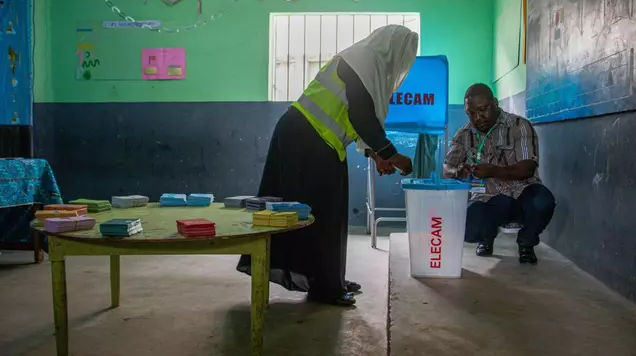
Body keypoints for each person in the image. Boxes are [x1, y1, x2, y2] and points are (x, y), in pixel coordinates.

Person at [237, 25, 418, 306]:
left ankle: (327, 280)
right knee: (317, 214)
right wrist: (391, 154)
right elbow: (360, 115)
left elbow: (355, 117)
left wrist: (377, 154)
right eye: (405, 54)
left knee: (324, 215)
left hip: (317, 140)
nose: (403, 62)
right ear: (391, 47)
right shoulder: (362, 59)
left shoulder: (366, 65)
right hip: (306, 137)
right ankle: (325, 287)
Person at [443, 83, 556, 264]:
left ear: (495, 103)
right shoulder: (463, 135)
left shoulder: (519, 126)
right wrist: (457, 170)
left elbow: (528, 168)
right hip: (489, 198)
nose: (478, 117)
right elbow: (447, 168)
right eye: (471, 113)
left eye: (483, 110)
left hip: (522, 192)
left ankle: (526, 242)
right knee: (467, 226)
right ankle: (485, 238)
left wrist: (494, 170)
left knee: (543, 201)